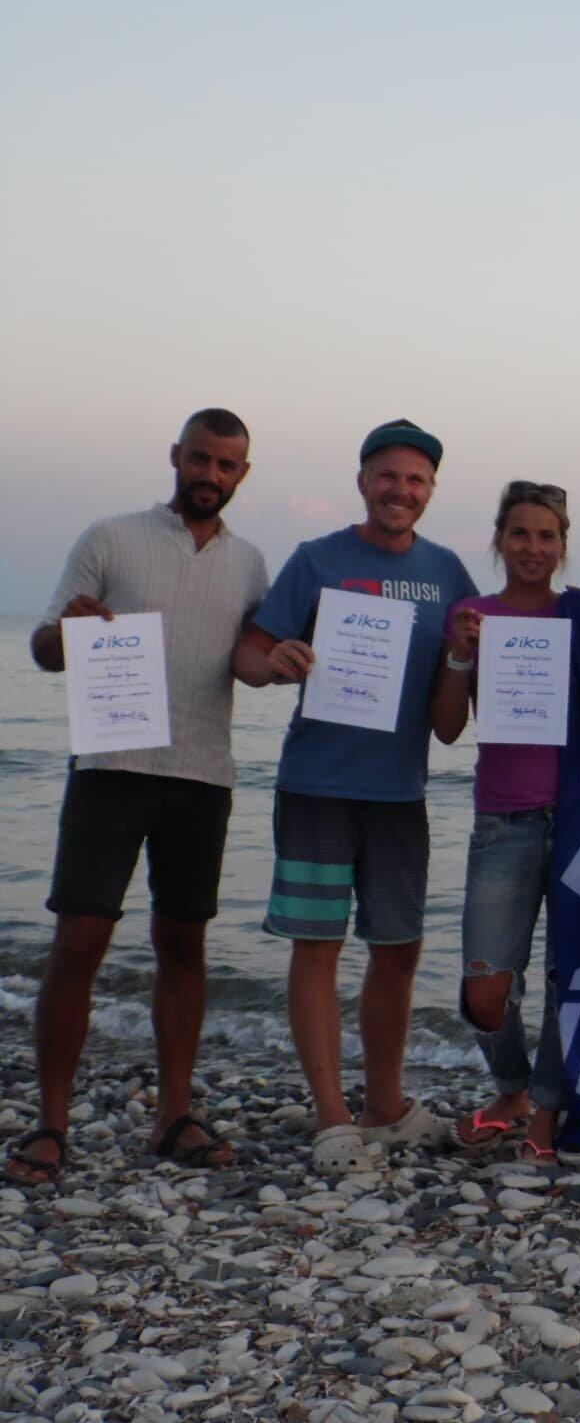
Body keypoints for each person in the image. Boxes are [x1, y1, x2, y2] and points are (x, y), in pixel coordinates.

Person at [8, 410, 268, 1185]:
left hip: (202, 775)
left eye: (226, 465)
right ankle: (51, 1122)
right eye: (201, 459)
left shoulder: (251, 564)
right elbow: (44, 648)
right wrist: (68, 632)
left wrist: (287, 660)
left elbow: (252, 657)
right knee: (78, 944)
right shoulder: (111, 538)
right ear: (176, 456)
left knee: (184, 948)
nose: (211, 475)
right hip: (111, 769)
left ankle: (174, 1116)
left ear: (242, 474)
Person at [232, 419, 478, 1175]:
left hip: (400, 794)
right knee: (318, 947)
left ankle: (385, 1106)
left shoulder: (448, 573)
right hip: (317, 786)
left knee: (399, 950)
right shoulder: (318, 559)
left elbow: (453, 712)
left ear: (431, 490)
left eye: (416, 480)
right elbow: (248, 653)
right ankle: (333, 1117)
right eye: (388, 476)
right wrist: (275, 660)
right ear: (364, 481)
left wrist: (468, 656)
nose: (401, 490)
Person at [432, 483, 580, 1163]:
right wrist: (460, 654)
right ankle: (512, 1089)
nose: (532, 547)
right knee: (485, 991)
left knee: (562, 982)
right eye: (519, 533)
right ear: (498, 539)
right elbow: (447, 727)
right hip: (503, 821)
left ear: (563, 544)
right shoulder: (473, 615)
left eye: (547, 536)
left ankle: (544, 1122)